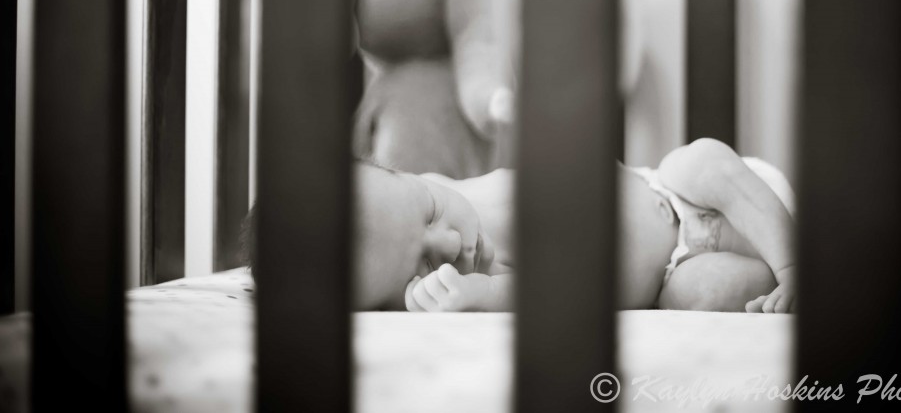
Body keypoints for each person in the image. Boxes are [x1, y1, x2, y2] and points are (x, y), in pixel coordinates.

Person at [242, 138, 796, 313]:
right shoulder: (481, 285)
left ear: (407, 173)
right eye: (423, 266)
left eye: (430, 211)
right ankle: (793, 285)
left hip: (677, 194)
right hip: (674, 275)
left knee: (694, 158)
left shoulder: (440, 183)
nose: (453, 244)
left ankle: (792, 258)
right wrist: (479, 297)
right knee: (704, 293)